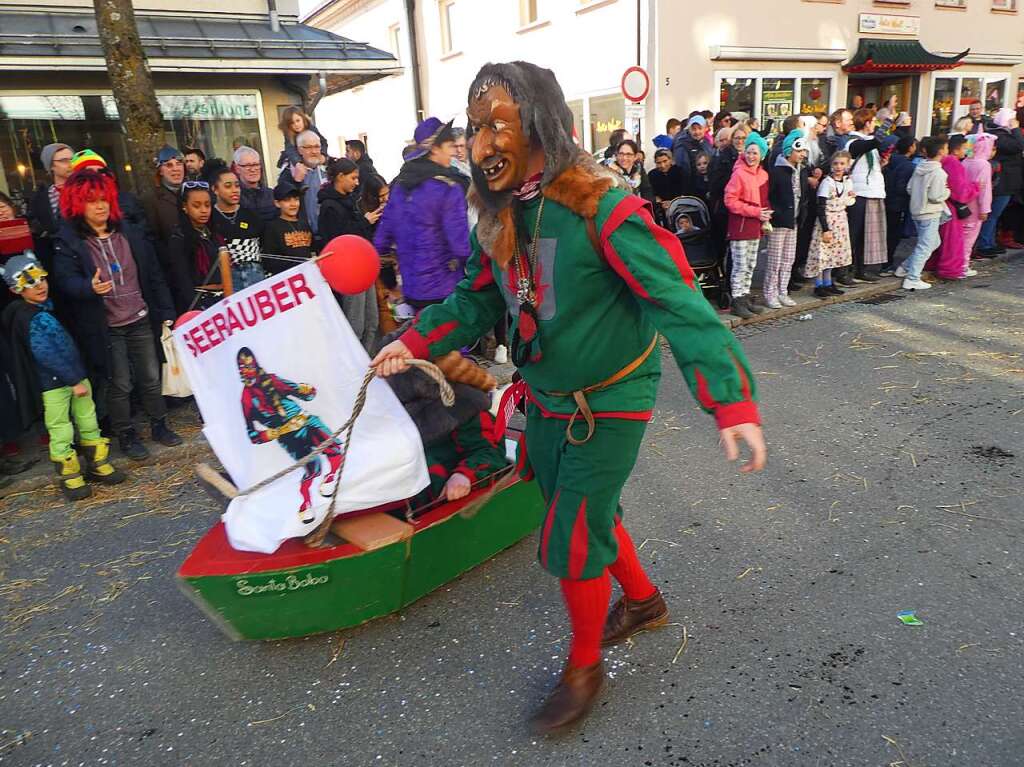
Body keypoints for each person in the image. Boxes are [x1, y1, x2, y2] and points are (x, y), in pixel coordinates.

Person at [371, 61, 765, 734]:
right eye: (475, 128)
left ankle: (584, 667)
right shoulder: (498, 213)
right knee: (583, 509)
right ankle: (642, 600)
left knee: (574, 531)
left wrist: (730, 401)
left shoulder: (602, 204)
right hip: (546, 394)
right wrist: (414, 340)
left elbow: (676, 297)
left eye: (499, 124)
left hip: (612, 397)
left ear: (541, 124)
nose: (483, 143)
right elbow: (475, 298)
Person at [50, 169, 181, 459]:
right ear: (77, 205)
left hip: (140, 318)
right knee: (120, 383)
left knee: (150, 376)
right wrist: (88, 287)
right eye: (91, 201)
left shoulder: (130, 234)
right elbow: (64, 281)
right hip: (106, 325)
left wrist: (165, 310)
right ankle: (126, 434)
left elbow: (153, 274)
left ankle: (159, 425)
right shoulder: (70, 242)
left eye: (104, 199)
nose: (100, 206)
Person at [1, 253, 127, 498]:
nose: (39, 285)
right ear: (17, 289)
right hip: (58, 385)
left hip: (75, 379)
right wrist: (72, 380)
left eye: (40, 277)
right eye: (29, 282)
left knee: (88, 420)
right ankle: (71, 478)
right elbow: (46, 353)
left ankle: (98, 465)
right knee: (61, 429)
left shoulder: (43, 311)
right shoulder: (31, 317)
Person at [237, 346, 343, 523]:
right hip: (288, 437)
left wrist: (306, 390)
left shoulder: (271, 380)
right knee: (313, 468)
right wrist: (277, 432)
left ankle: (331, 477)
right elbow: (252, 435)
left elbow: (306, 396)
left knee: (334, 449)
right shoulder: (246, 399)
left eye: (249, 365)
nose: (246, 370)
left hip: (308, 422)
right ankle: (306, 504)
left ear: (255, 365)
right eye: (242, 367)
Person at [373, 117, 470, 310]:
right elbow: (461, 247)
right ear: (435, 149)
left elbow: (381, 241)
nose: (453, 153)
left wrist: (393, 281)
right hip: (446, 289)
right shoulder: (448, 188)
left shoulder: (399, 188)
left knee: (423, 339)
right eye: (450, 146)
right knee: (451, 339)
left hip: (413, 291)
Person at [318, 157, 380, 350]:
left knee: (372, 322)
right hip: (348, 271)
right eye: (353, 178)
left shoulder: (350, 201)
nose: (356, 182)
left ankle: (367, 365)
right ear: (340, 177)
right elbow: (340, 239)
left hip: (363, 266)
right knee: (356, 324)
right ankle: (355, 367)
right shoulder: (329, 207)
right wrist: (364, 222)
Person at [724, 132, 771, 319]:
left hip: (755, 226)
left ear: (762, 155)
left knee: (751, 264)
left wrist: (767, 214)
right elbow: (730, 200)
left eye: (755, 153)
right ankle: (737, 300)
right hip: (741, 225)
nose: (751, 156)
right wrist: (755, 212)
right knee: (740, 265)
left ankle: (745, 296)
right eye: (749, 152)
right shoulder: (739, 173)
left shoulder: (764, 175)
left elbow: (764, 199)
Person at [898, 136, 950, 291]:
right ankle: (912, 277)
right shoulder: (939, 173)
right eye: (946, 148)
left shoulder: (919, 167)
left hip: (917, 210)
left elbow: (909, 188)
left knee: (932, 242)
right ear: (941, 151)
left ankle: (905, 267)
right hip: (930, 212)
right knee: (926, 245)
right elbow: (935, 196)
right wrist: (947, 191)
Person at [764, 130, 809, 308]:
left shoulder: (802, 171)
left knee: (788, 258)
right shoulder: (777, 171)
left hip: (794, 220)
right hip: (779, 221)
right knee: (774, 260)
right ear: (789, 150)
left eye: (803, 151)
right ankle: (770, 293)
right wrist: (773, 213)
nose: (802, 154)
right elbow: (770, 195)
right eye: (799, 151)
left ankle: (783, 291)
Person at [163, 181, 222, 313]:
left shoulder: (214, 234)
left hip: (223, 297)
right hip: (198, 303)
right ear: (185, 207)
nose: (203, 210)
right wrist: (196, 308)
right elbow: (182, 280)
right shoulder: (179, 238)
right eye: (196, 206)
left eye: (207, 205)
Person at [927, 135, 980, 280]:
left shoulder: (941, 162)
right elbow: (960, 192)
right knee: (952, 240)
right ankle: (950, 269)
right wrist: (975, 188)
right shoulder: (954, 163)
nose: (966, 151)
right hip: (950, 206)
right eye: (964, 148)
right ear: (956, 150)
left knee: (937, 238)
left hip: (938, 205)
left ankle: (933, 265)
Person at [842, 109, 886, 284]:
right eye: (873, 121)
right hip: (858, 194)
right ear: (867, 123)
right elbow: (872, 143)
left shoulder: (869, 144)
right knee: (853, 234)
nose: (874, 125)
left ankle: (861, 269)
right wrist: (888, 120)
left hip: (872, 192)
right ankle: (844, 271)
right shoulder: (853, 142)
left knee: (866, 236)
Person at [206, 162, 266, 289]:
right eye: (228, 186)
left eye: (237, 186)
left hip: (256, 278)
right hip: (226, 282)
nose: (234, 190)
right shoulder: (209, 217)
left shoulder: (251, 214)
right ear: (215, 189)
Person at [805, 151, 855, 298]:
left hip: (840, 220)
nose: (838, 167)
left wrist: (851, 197)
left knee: (833, 253)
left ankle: (828, 282)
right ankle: (819, 284)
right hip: (827, 220)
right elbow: (820, 206)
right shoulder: (827, 182)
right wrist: (825, 228)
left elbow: (848, 201)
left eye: (842, 164)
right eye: (835, 163)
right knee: (822, 254)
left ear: (847, 165)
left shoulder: (847, 182)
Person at [977, 108, 1024, 255]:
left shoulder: (1001, 134)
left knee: (996, 215)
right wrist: (1015, 129)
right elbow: (1018, 146)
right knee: (993, 214)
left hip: (1007, 181)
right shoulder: (999, 136)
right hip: (1003, 182)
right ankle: (984, 244)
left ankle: (989, 241)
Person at [25, 143, 74, 270]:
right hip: (58, 258)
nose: (70, 164)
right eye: (64, 160)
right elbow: (35, 225)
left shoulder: (86, 189)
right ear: (51, 166)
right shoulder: (41, 197)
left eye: (73, 159)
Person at [274, 130, 330, 241]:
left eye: (317, 147)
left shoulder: (328, 170)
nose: (314, 151)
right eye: (308, 147)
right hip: (301, 237)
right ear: (299, 150)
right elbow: (285, 203)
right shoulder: (288, 173)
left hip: (325, 236)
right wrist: (297, 181)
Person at [881, 135, 917, 273]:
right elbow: (903, 187)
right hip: (898, 203)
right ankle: (887, 262)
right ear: (910, 148)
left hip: (885, 200)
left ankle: (883, 261)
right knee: (893, 235)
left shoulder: (889, 161)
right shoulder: (909, 166)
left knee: (885, 233)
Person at [961, 132, 996, 269]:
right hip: (975, 205)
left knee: (962, 234)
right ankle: (963, 265)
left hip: (963, 203)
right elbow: (985, 190)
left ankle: (959, 262)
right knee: (970, 236)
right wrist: (985, 209)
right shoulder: (984, 164)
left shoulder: (965, 161)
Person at [260, 186, 313, 271]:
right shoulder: (272, 227)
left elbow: (312, 250)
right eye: (287, 200)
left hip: (308, 274)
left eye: (296, 199)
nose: (293, 204)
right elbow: (269, 261)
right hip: (287, 277)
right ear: (277, 203)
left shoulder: (304, 224)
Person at [146, 146, 186, 244]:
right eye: (169, 165)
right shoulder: (151, 200)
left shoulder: (193, 191)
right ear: (160, 171)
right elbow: (154, 240)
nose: (175, 169)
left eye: (179, 164)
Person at [276, 106, 329, 171]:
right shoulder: (289, 134)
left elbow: (323, 142)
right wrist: (298, 162)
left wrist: (323, 154)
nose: (296, 124)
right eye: (292, 123)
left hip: (314, 158)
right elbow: (290, 149)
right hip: (297, 158)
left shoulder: (311, 128)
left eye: (298, 121)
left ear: (303, 119)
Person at [233, 146, 277, 223]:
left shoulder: (272, 194)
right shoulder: (234, 197)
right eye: (247, 165)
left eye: (256, 164)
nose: (253, 169)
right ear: (237, 168)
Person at [648, 149, 686, 223]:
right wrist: (659, 202)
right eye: (659, 163)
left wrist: (673, 202)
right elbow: (651, 193)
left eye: (665, 161)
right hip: (661, 209)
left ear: (670, 160)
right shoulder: (652, 175)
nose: (662, 165)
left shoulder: (680, 171)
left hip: (680, 207)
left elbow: (684, 190)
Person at [672, 115, 708, 183]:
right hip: (690, 186)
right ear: (689, 129)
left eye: (700, 128)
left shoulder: (706, 143)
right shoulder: (682, 144)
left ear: (705, 128)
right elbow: (683, 169)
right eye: (694, 129)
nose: (697, 132)